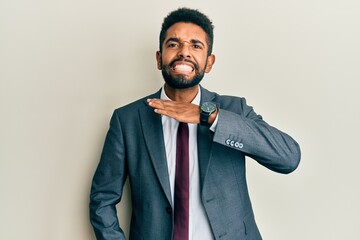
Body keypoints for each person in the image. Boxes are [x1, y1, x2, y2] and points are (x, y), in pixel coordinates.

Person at [89, 7, 301, 240]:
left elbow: (288, 157)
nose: (184, 53)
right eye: (173, 44)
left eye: (195, 45)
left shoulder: (234, 110)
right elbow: (102, 200)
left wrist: (210, 117)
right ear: (159, 59)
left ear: (209, 62)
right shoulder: (127, 120)